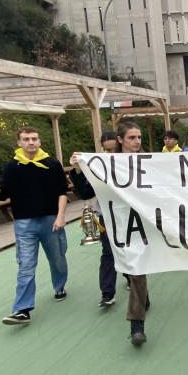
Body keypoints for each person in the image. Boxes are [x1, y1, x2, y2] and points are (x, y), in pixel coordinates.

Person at [74, 122, 152, 345]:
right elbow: (86, 192)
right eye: (132, 138)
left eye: (139, 137)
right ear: (120, 140)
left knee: (139, 266)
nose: (137, 141)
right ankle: (138, 311)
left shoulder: (149, 162)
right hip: (113, 220)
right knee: (127, 264)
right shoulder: (104, 165)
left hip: (141, 221)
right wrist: (79, 171)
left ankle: (139, 312)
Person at [0, 126, 69, 326]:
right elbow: (0, 193)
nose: (31, 142)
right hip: (24, 223)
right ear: (19, 143)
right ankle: (22, 309)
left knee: (57, 258)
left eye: (34, 139)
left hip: (50, 219)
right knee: (26, 265)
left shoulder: (52, 163)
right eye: (26, 139)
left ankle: (60, 285)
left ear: (39, 141)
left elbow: (62, 191)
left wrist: (61, 216)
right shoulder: (12, 166)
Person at [69, 131, 120, 309]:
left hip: (131, 214)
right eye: (106, 151)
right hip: (106, 213)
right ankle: (107, 292)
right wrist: (78, 169)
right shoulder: (97, 165)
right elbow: (86, 193)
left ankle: (131, 277)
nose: (110, 154)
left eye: (114, 149)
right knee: (108, 252)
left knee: (130, 248)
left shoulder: (132, 161)